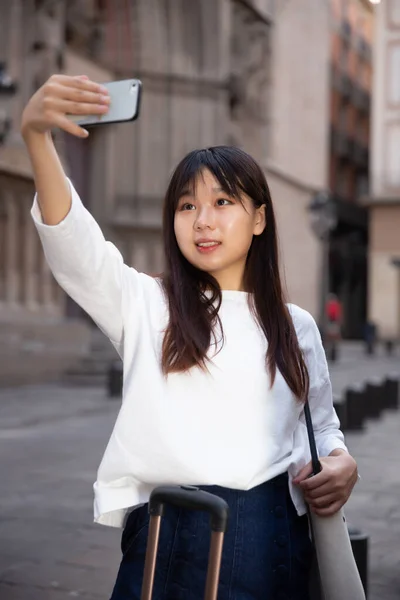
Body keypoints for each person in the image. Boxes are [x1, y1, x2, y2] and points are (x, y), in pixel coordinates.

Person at [21, 74, 359, 600]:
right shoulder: (145, 304)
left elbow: (322, 426)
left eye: (223, 202)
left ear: (260, 219)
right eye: (186, 205)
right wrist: (37, 140)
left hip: (269, 540)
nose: (202, 220)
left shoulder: (297, 326)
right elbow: (75, 250)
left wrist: (342, 463)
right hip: (167, 540)